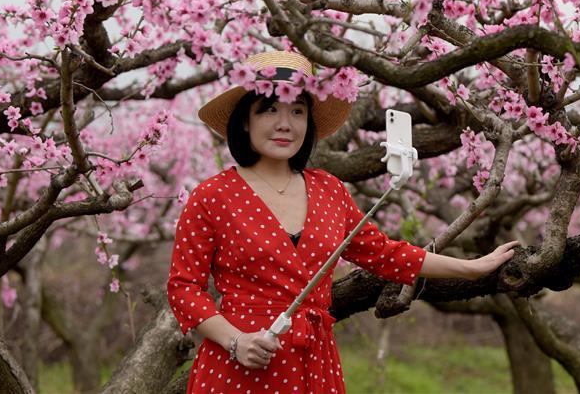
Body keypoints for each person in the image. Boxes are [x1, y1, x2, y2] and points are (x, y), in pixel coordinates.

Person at [167, 51, 519, 393]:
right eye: (269, 109)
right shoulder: (212, 195)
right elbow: (184, 288)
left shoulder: (328, 190)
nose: (285, 124)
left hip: (314, 363)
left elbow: (385, 254)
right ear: (245, 120)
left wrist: (471, 269)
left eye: (297, 111)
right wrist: (236, 341)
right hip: (239, 366)